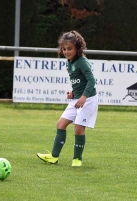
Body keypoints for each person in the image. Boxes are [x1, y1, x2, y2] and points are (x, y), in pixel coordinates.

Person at [37, 30, 98, 167]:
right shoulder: (69, 62)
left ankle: (77, 159)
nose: (66, 52)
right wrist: (73, 93)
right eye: (64, 49)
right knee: (60, 124)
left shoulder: (82, 62)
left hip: (87, 100)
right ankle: (54, 157)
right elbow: (79, 81)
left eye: (69, 48)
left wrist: (83, 97)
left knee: (78, 129)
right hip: (76, 99)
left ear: (78, 48)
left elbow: (91, 81)